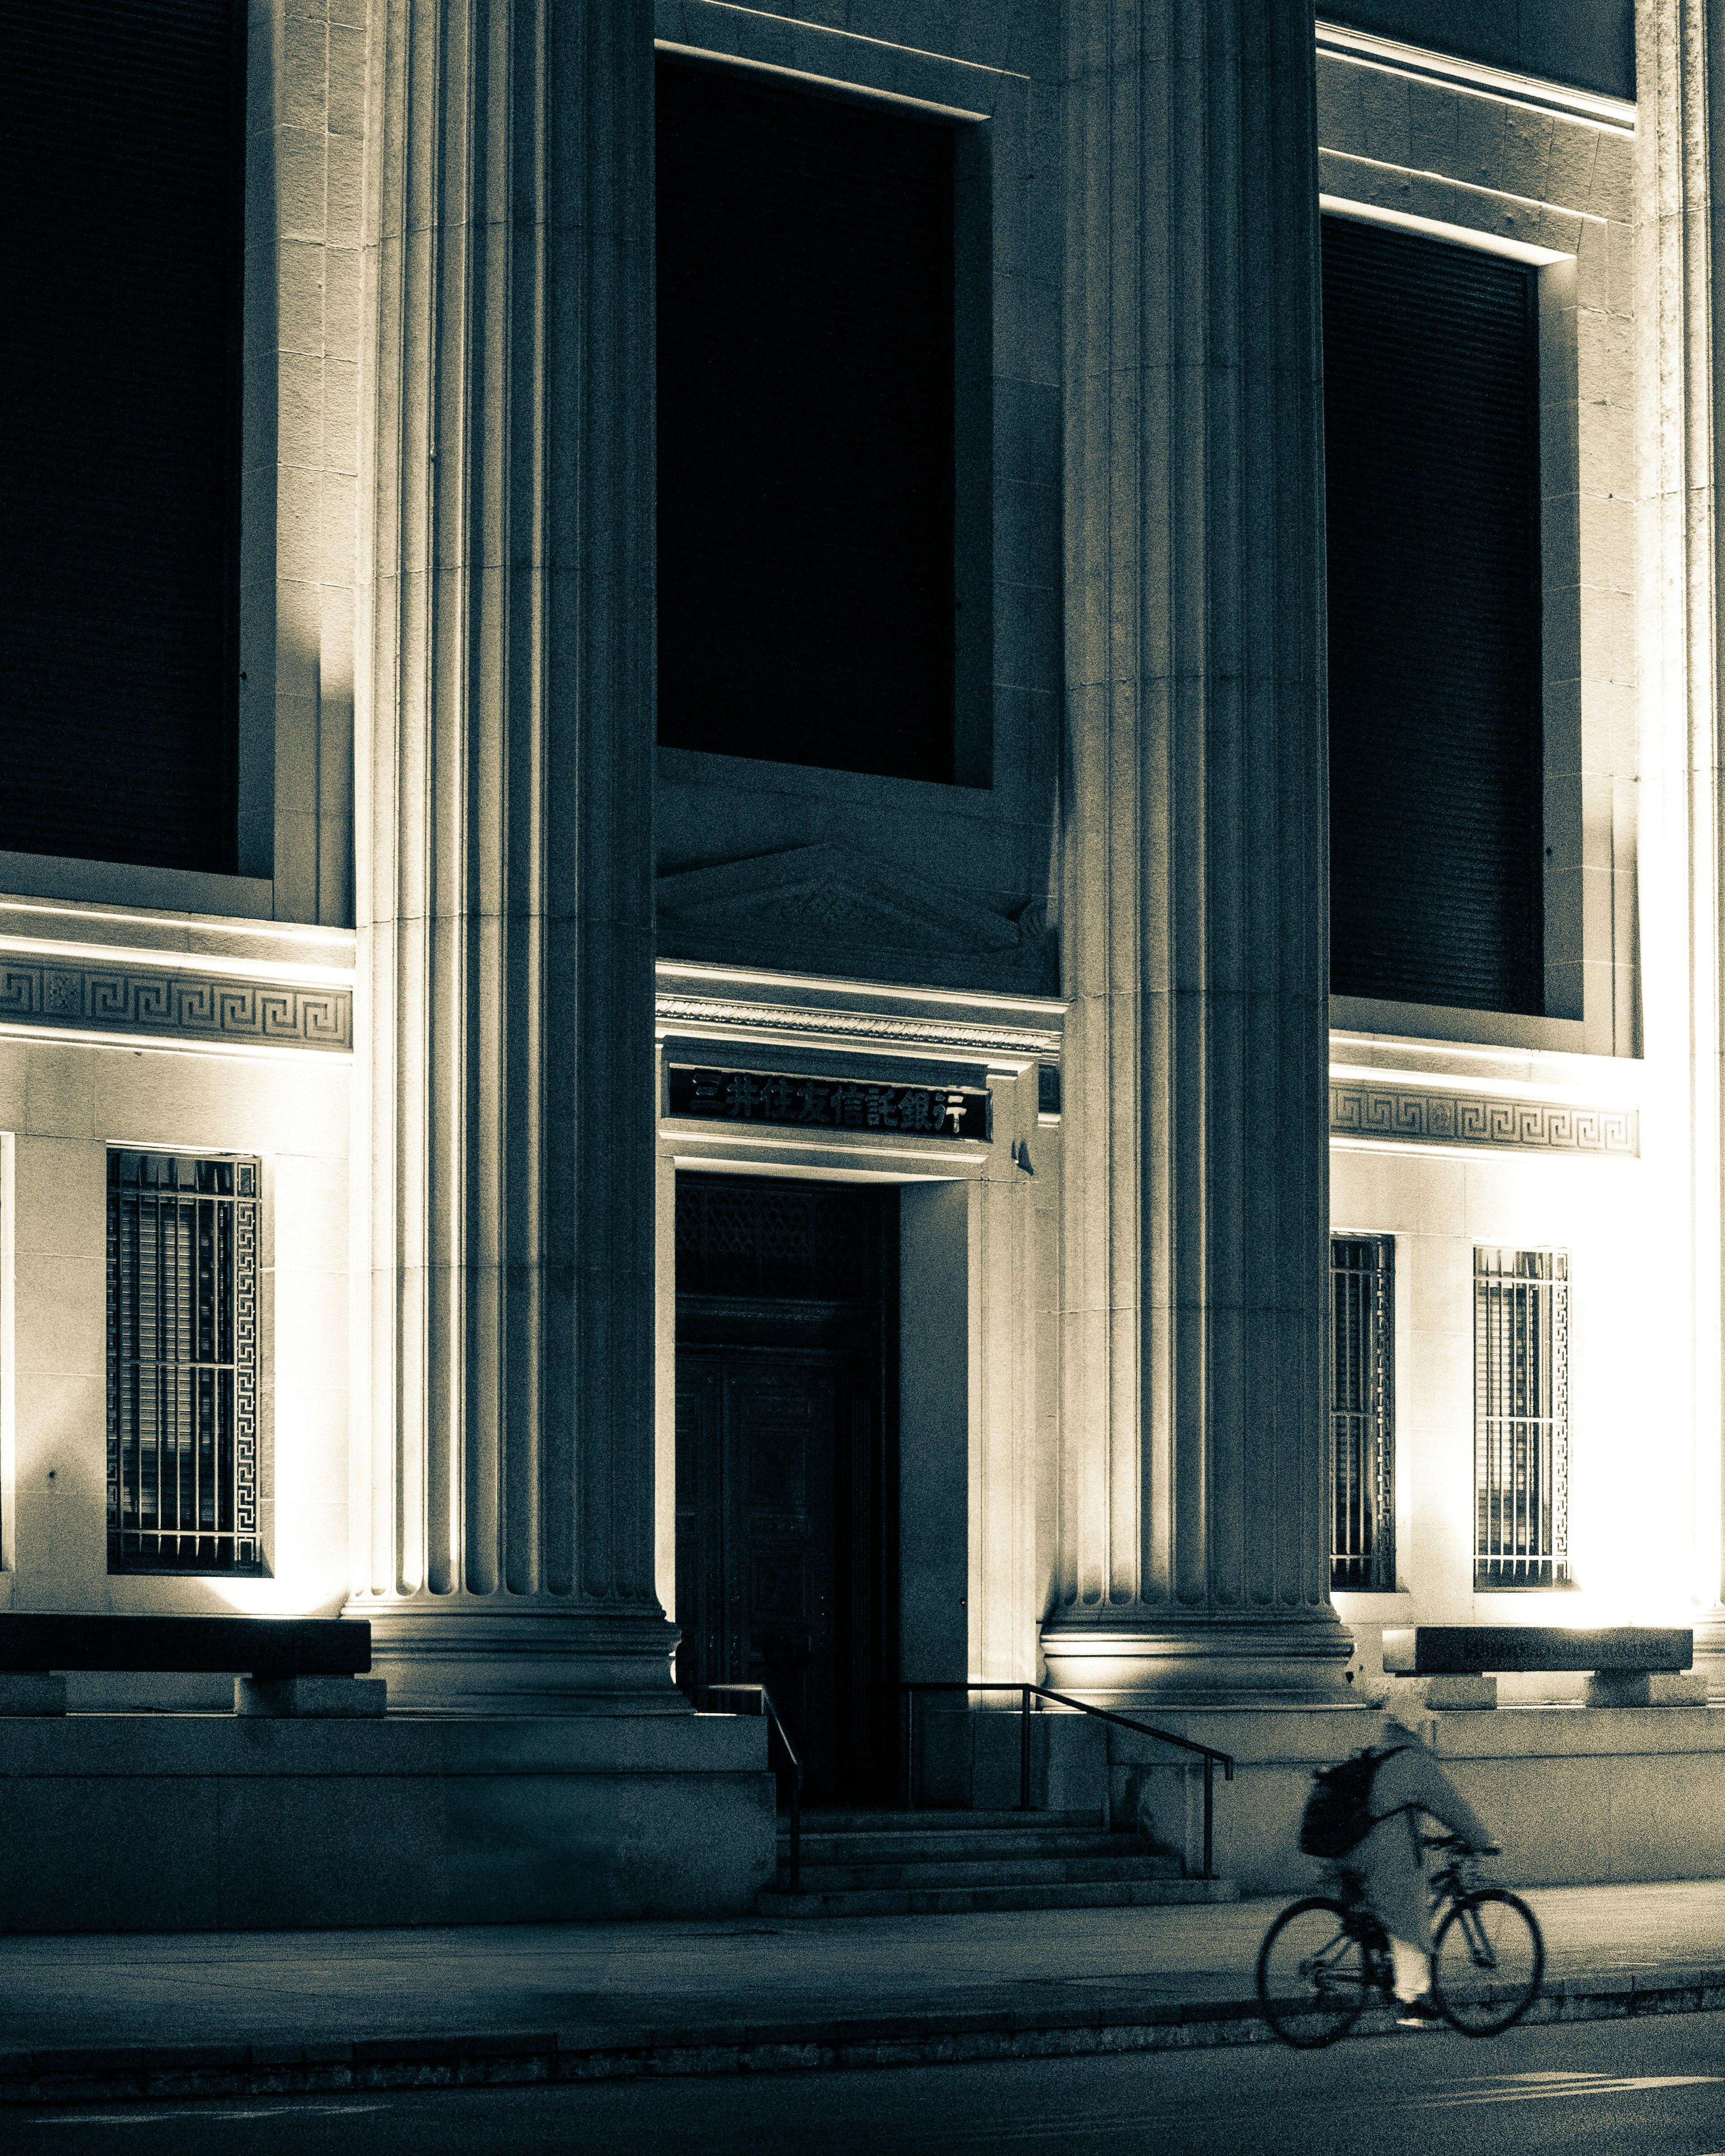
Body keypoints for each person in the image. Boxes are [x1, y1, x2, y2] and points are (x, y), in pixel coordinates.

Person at [1340, 1729, 1498, 2027]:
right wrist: (1481, 1840)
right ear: (1416, 1729)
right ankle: (1409, 2002)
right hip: (1383, 1858)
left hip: (1351, 1850)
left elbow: (1388, 1812)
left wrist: (1421, 1838)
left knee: (1382, 1909)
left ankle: (1377, 1956)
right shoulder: (1413, 1762)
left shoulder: (1377, 1752)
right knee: (1410, 1912)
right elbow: (1452, 1807)